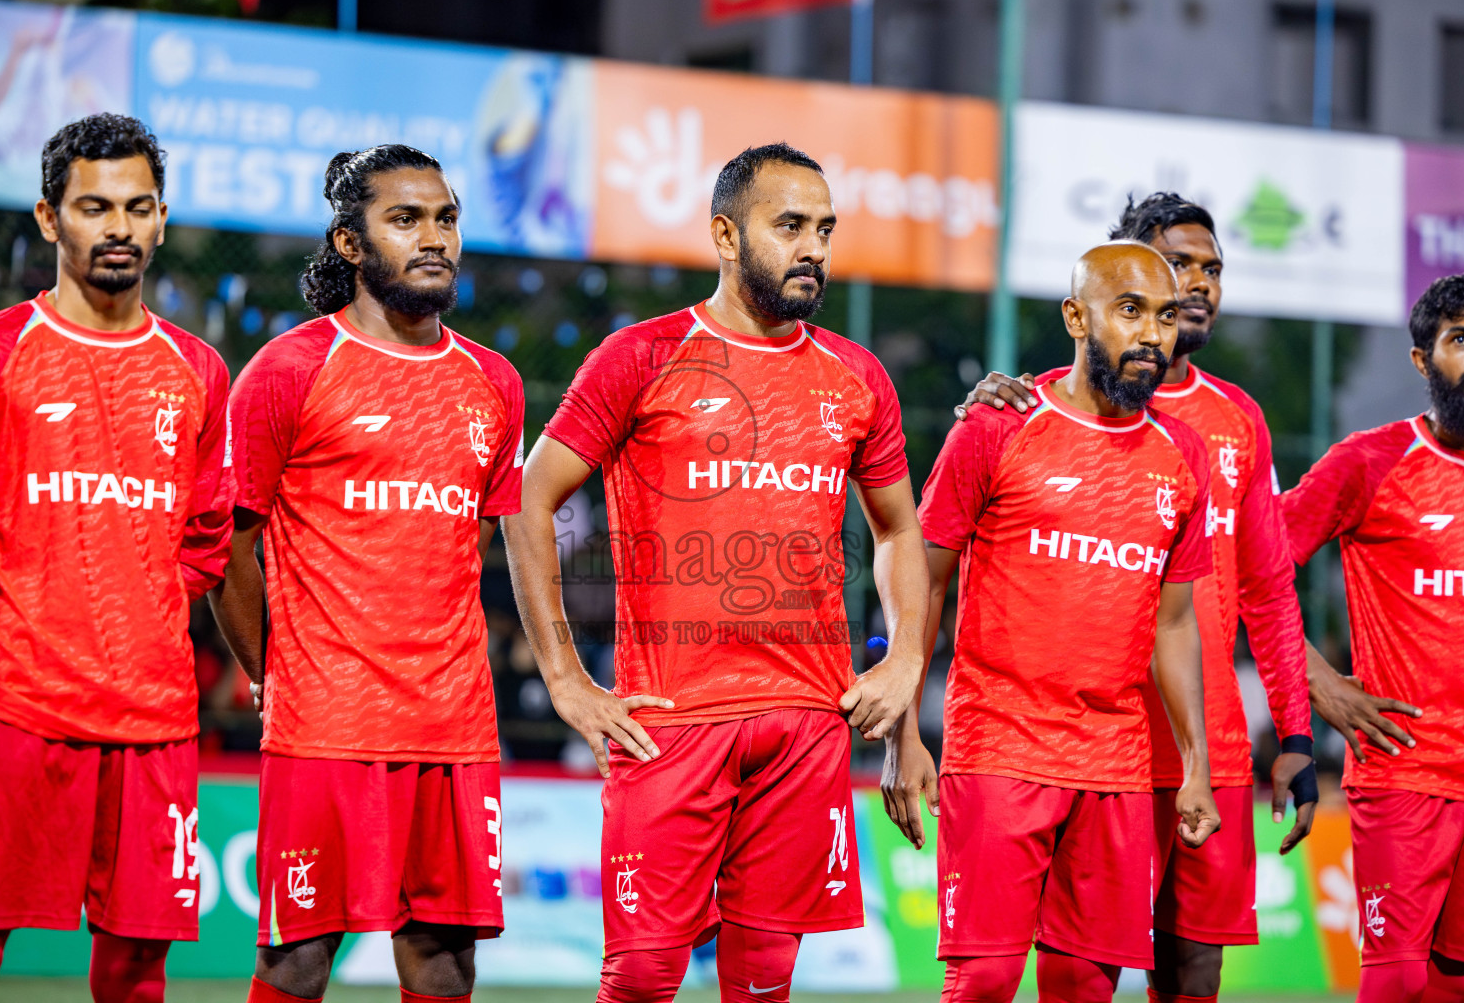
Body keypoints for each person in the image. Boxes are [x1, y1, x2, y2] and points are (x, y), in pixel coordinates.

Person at [504, 142, 928, 1003]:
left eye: (825, 229)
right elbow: (525, 499)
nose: (813, 247)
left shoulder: (857, 377)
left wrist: (906, 665)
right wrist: (565, 678)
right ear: (725, 236)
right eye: (790, 226)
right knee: (643, 977)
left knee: (766, 980)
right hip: (671, 720)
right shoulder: (642, 357)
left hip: (808, 723)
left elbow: (897, 532)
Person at [947, 193, 1321, 1002]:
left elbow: (1268, 587)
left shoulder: (1235, 424)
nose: (1194, 288)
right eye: (1175, 268)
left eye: (1210, 270)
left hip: (1203, 745)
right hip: (1082, 746)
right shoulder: (1024, 409)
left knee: (1192, 969)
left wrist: (1294, 728)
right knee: (1034, 969)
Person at [212, 145, 524, 1003]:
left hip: (455, 726)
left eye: (447, 219)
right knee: (297, 960)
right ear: (350, 244)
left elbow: (483, 548)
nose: (435, 238)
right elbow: (227, 547)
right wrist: (269, 671)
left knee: (445, 958)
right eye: (406, 219)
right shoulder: (287, 371)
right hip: (325, 723)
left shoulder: (493, 383)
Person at [0, 114, 233, 1003]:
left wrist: (134, 612)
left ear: (161, 220)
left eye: (137, 208)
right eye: (94, 207)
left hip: (154, 727)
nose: (118, 228)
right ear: (47, 218)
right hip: (14, 713)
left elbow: (207, 546)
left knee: (139, 976)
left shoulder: (199, 371)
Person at [888, 241, 1221, 1003]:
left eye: (1165, 317)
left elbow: (1174, 626)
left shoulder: (1183, 454)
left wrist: (1195, 759)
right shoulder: (999, 426)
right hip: (999, 746)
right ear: (1077, 315)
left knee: (1084, 985)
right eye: (1129, 310)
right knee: (986, 979)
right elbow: (921, 584)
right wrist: (903, 735)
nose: (1151, 335)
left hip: (1118, 767)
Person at [1283, 273, 1464, 1003]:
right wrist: (1318, 682)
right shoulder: (1369, 461)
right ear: (1423, 361)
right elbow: (1247, 570)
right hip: (1407, 773)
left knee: (1459, 988)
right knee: (1395, 983)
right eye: (1462, 340)